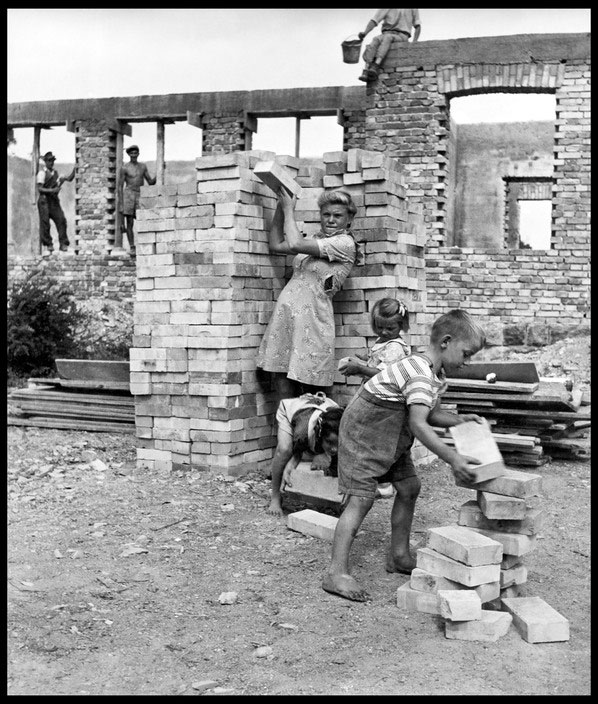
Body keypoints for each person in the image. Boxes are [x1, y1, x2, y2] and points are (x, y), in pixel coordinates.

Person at [322, 309, 486, 602]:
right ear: (446, 342)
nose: (467, 361)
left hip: (390, 436)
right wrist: (453, 457)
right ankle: (336, 573)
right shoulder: (420, 372)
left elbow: (430, 413)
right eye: (467, 353)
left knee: (409, 487)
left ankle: (398, 555)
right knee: (361, 498)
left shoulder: (434, 374)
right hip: (365, 432)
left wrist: (459, 421)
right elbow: (418, 424)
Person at [257, 188, 360, 399]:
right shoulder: (315, 239)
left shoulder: (344, 244)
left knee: (309, 387)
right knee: (281, 376)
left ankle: (305, 432)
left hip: (313, 320)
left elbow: (295, 243)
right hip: (287, 316)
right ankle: (284, 430)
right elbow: (276, 244)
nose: (330, 220)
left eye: (337, 215)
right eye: (326, 214)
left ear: (349, 219)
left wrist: (289, 209)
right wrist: (280, 207)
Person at [338, 297, 411, 499]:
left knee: (379, 438)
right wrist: (365, 358)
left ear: (401, 326)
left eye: (390, 328)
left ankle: (383, 482)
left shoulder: (395, 347)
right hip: (376, 393)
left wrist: (360, 368)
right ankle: (371, 479)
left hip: (387, 400)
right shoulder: (384, 342)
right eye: (379, 327)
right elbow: (378, 360)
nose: (384, 332)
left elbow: (385, 373)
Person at [267, 392, 344, 517]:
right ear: (320, 436)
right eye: (329, 443)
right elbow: (297, 454)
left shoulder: (343, 427)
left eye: (338, 444)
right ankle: (275, 498)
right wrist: (289, 467)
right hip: (292, 411)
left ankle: (335, 502)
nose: (334, 449)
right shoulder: (302, 433)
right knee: (285, 450)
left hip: (322, 408)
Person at [357, 8, 421, 83]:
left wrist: (414, 42)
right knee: (375, 39)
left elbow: (418, 26)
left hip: (402, 36)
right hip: (386, 32)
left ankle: (376, 65)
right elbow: (374, 21)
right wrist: (364, 33)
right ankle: (366, 69)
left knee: (388, 38)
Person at [118, 145, 156, 257]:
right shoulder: (124, 168)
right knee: (129, 223)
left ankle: (145, 246)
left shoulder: (143, 167)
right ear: (129, 155)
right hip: (128, 195)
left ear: (138, 154)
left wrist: (159, 172)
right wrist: (120, 204)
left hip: (140, 194)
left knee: (143, 220)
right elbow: (120, 186)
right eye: (132, 153)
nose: (134, 155)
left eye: (136, 153)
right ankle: (132, 247)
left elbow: (150, 182)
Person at [36, 151, 75, 255]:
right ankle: (48, 245)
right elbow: (39, 189)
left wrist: (76, 168)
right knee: (45, 223)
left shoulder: (56, 174)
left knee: (61, 220)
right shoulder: (42, 173)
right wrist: (52, 191)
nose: (51, 163)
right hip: (44, 200)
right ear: (45, 162)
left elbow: (69, 178)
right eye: (49, 160)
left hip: (53, 201)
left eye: (52, 160)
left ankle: (63, 244)